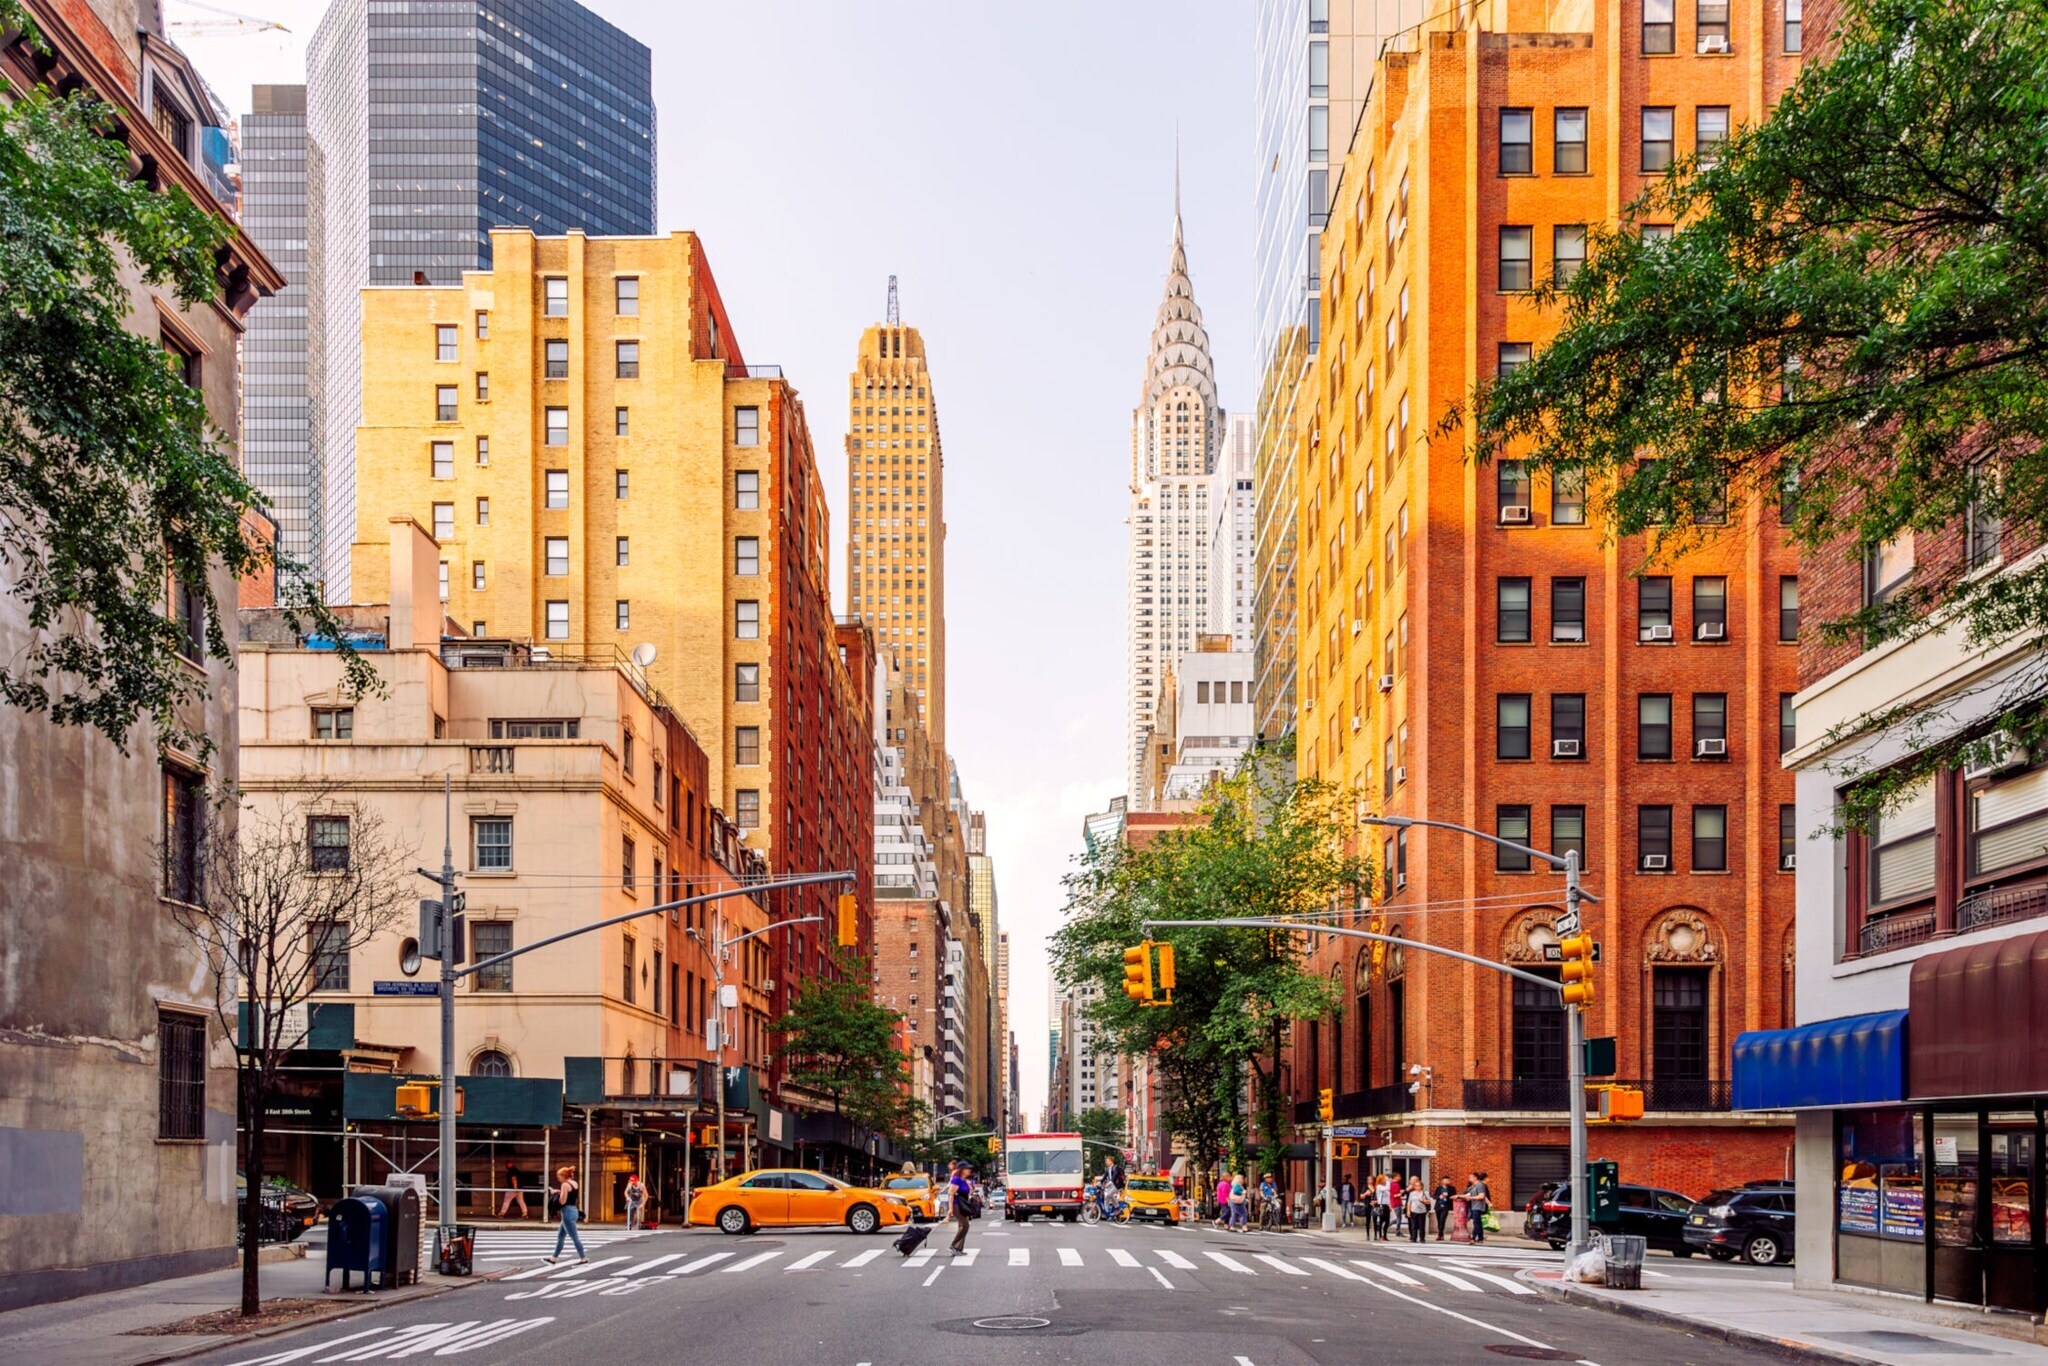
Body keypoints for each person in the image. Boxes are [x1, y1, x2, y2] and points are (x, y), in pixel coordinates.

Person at [544, 1165, 586, 1264]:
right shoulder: (574, 1183)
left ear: (563, 1176)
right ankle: (553, 1258)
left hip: (567, 1212)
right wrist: (559, 1192)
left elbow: (562, 1201)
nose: (558, 1179)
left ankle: (583, 1258)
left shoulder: (565, 1185)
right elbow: (570, 1195)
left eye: (559, 1177)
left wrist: (554, 1194)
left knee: (575, 1237)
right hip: (574, 1210)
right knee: (561, 1236)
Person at [947, 1160, 975, 1254]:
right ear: (962, 1169)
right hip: (956, 1205)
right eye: (967, 1169)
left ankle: (958, 1249)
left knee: (962, 1226)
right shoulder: (956, 1179)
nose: (969, 1170)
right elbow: (951, 1193)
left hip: (962, 1205)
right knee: (965, 1225)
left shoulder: (963, 1180)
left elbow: (969, 1191)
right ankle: (953, 1245)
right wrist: (950, 1209)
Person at [1463, 1171, 1491, 1244]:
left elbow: (1481, 1196)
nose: (1469, 1179)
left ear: (1475, 1178)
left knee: (1476, 1223)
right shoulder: (1474, 1186)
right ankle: (1480, 1238)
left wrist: (1471, 1198)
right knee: (1478, 1223)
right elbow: (1468, 1194)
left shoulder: (1480, 1185)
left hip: (1478, 1206)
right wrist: (1458, 1196)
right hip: (1474, 1206)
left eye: (1471, 1177)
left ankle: (1473, 1238)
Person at [1406, 1178, 1431, 1243]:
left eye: (1419, 1186)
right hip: (1413, 1210)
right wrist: (1408, 1211)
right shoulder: (1412, 1193)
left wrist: (1424, 1201)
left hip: (1422, 1211)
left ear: (1421, 1186)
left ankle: (1422, 1238)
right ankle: (1414, 1238)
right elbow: (1409, 1202)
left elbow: (1429, 1201)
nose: (1417, 1187)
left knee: (1421, 1226)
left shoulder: (1425, 1193)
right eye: (1416, 1186)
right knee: (1414, 1225)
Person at [1373, 1174, 1393, 1240]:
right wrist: (1388, 1181)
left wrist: (1389, 1205)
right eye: (1384, 1179)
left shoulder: (1384, 1187)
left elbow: (1388, 1197)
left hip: (1386, 1205)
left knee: (1387, 1221)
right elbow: (1388, 1188)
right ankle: (1380, 1236)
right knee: (1381, 1221)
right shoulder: (1379, 1187)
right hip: (1381, 1205)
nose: (1385, 1180)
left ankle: (1385, 1235)